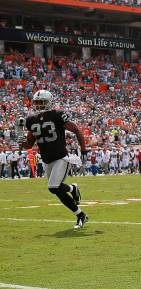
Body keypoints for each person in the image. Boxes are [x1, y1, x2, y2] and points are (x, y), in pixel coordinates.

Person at [20, 90, 88, 229]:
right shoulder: (31, 120)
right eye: (37, 102)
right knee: (55, 190)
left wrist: (84, 149)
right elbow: (30, 143)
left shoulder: (56, 115)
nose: (39, 105)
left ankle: (80, 213)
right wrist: (22, 142)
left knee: (53, 187)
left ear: (49, 102)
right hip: (47, 160)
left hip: (61, 158)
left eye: (42, 102)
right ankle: (74, 193)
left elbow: (76, 129)